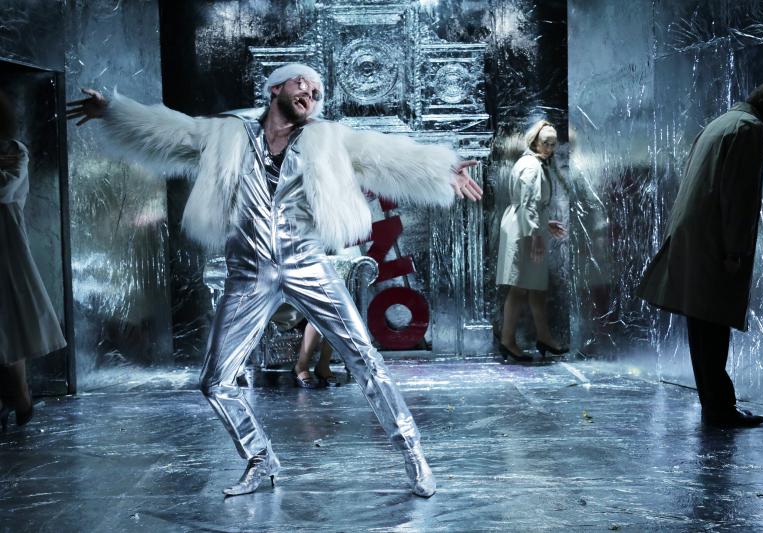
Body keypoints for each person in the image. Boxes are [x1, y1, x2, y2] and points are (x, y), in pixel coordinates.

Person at [66, 63, 482, 497]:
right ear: (276, 88)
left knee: (366, 361)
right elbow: (169, 133)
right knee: (215, 381)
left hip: (307, 264)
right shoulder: (227, 134)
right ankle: (260, 458)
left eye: (318, 92)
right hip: (248, 272)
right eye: (304, 84)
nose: (312, 94)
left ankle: (413, 453)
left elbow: (387, 156)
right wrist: (112, 110)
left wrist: (443, 171)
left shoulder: (327, 138)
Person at [638, 80, 763, 428]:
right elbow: (739, 196)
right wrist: (735, 250)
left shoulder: (721, 123)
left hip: (695, 234)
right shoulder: (749, 129)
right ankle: (720, 409)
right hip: (714, 239)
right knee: (713, 323)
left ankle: (716, 405)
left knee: (702, 325)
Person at [0, 92, 67, 432]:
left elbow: (5, 188)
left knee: (10, 327)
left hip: (6, 249)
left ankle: (21, 399)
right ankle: (18, 400)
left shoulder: (14, 151)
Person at [496, 120, 568, 362]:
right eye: (546, 143)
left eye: (553, 144)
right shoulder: (532, 166)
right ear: (535, 141)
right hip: (524, 230)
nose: (550, 148)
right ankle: (508, 341)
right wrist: (536, 235)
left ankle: (543, 336)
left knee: (535, 287)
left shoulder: (532, 163)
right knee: (520, 287)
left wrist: (544, 223)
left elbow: (530, 205)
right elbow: (528, 204)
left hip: (524, 226)